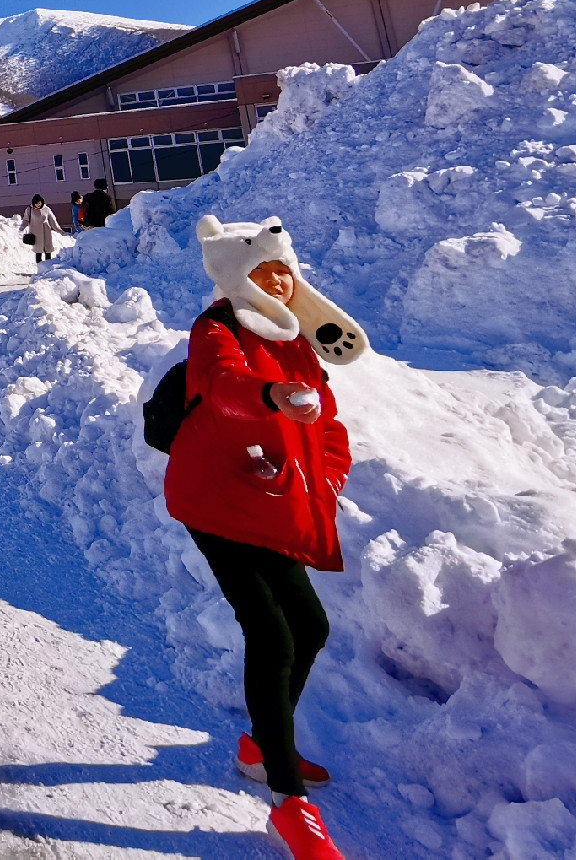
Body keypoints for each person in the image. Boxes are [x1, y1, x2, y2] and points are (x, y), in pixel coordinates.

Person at [162, 215, 370, 860]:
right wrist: (273, 393)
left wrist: (326, 476)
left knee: (309, 627)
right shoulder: (216, 329)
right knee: (272, 634)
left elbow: (328, 425)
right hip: (215, 501)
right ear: (237, 277)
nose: (279, 282)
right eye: (264, 271)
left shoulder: (296, 339)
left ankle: (261, 745)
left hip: (271, 500)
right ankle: (287, 801)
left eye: (285, 270)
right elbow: (223, 386)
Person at [21, 194, 60, 264]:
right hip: (36, 233)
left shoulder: (46, 209)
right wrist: (22, 226)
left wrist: (59, 230)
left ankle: (49, 267)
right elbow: (26, 220)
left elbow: (52, 220)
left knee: (48, 251)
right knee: (38, 252)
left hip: (46, 232)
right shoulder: (30, 209)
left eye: (39, 203)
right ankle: (40, 267)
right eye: (36, 203)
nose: (38, 205)